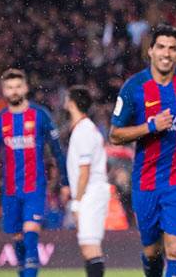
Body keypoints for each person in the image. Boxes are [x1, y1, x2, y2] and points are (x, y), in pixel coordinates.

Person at [110, 24, 176, 277]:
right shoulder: (134, 87)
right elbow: (115, 134)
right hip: (146, 181)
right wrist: (150, 126)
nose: (166, 53)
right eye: (161, 47)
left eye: (172, 48)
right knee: (152, 252)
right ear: (150, 51)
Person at [0, 69, 70, 277]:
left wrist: (66, 182)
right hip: (10, 189)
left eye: (18, 87)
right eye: (10, 88)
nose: (14, 91)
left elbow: (58, 151)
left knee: (31, 236)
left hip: (35, 187)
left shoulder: (40, 115)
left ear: (26, 88)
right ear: (4, 91)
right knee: (17, 240)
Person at [65, 85, 110, 277]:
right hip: (92, 192)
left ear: (72, 103)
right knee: (88, 246)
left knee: (90, 246)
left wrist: (77, 202)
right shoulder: (86, 129)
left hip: (90, 192)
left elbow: (85, 171)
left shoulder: (83, 131)